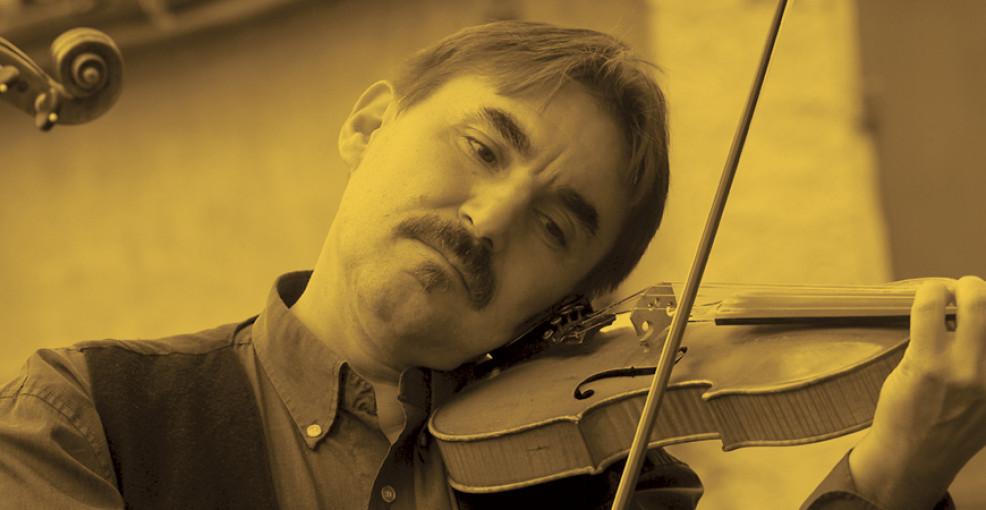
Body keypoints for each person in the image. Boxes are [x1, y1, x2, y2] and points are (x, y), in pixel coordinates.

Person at [1, 20, 984, 510]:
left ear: (571, 303)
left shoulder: (610, 479)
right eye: (480, 147)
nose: (487, 218)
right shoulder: (84, 418)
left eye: (556, 227)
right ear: (368, 124)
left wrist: (895, 474)